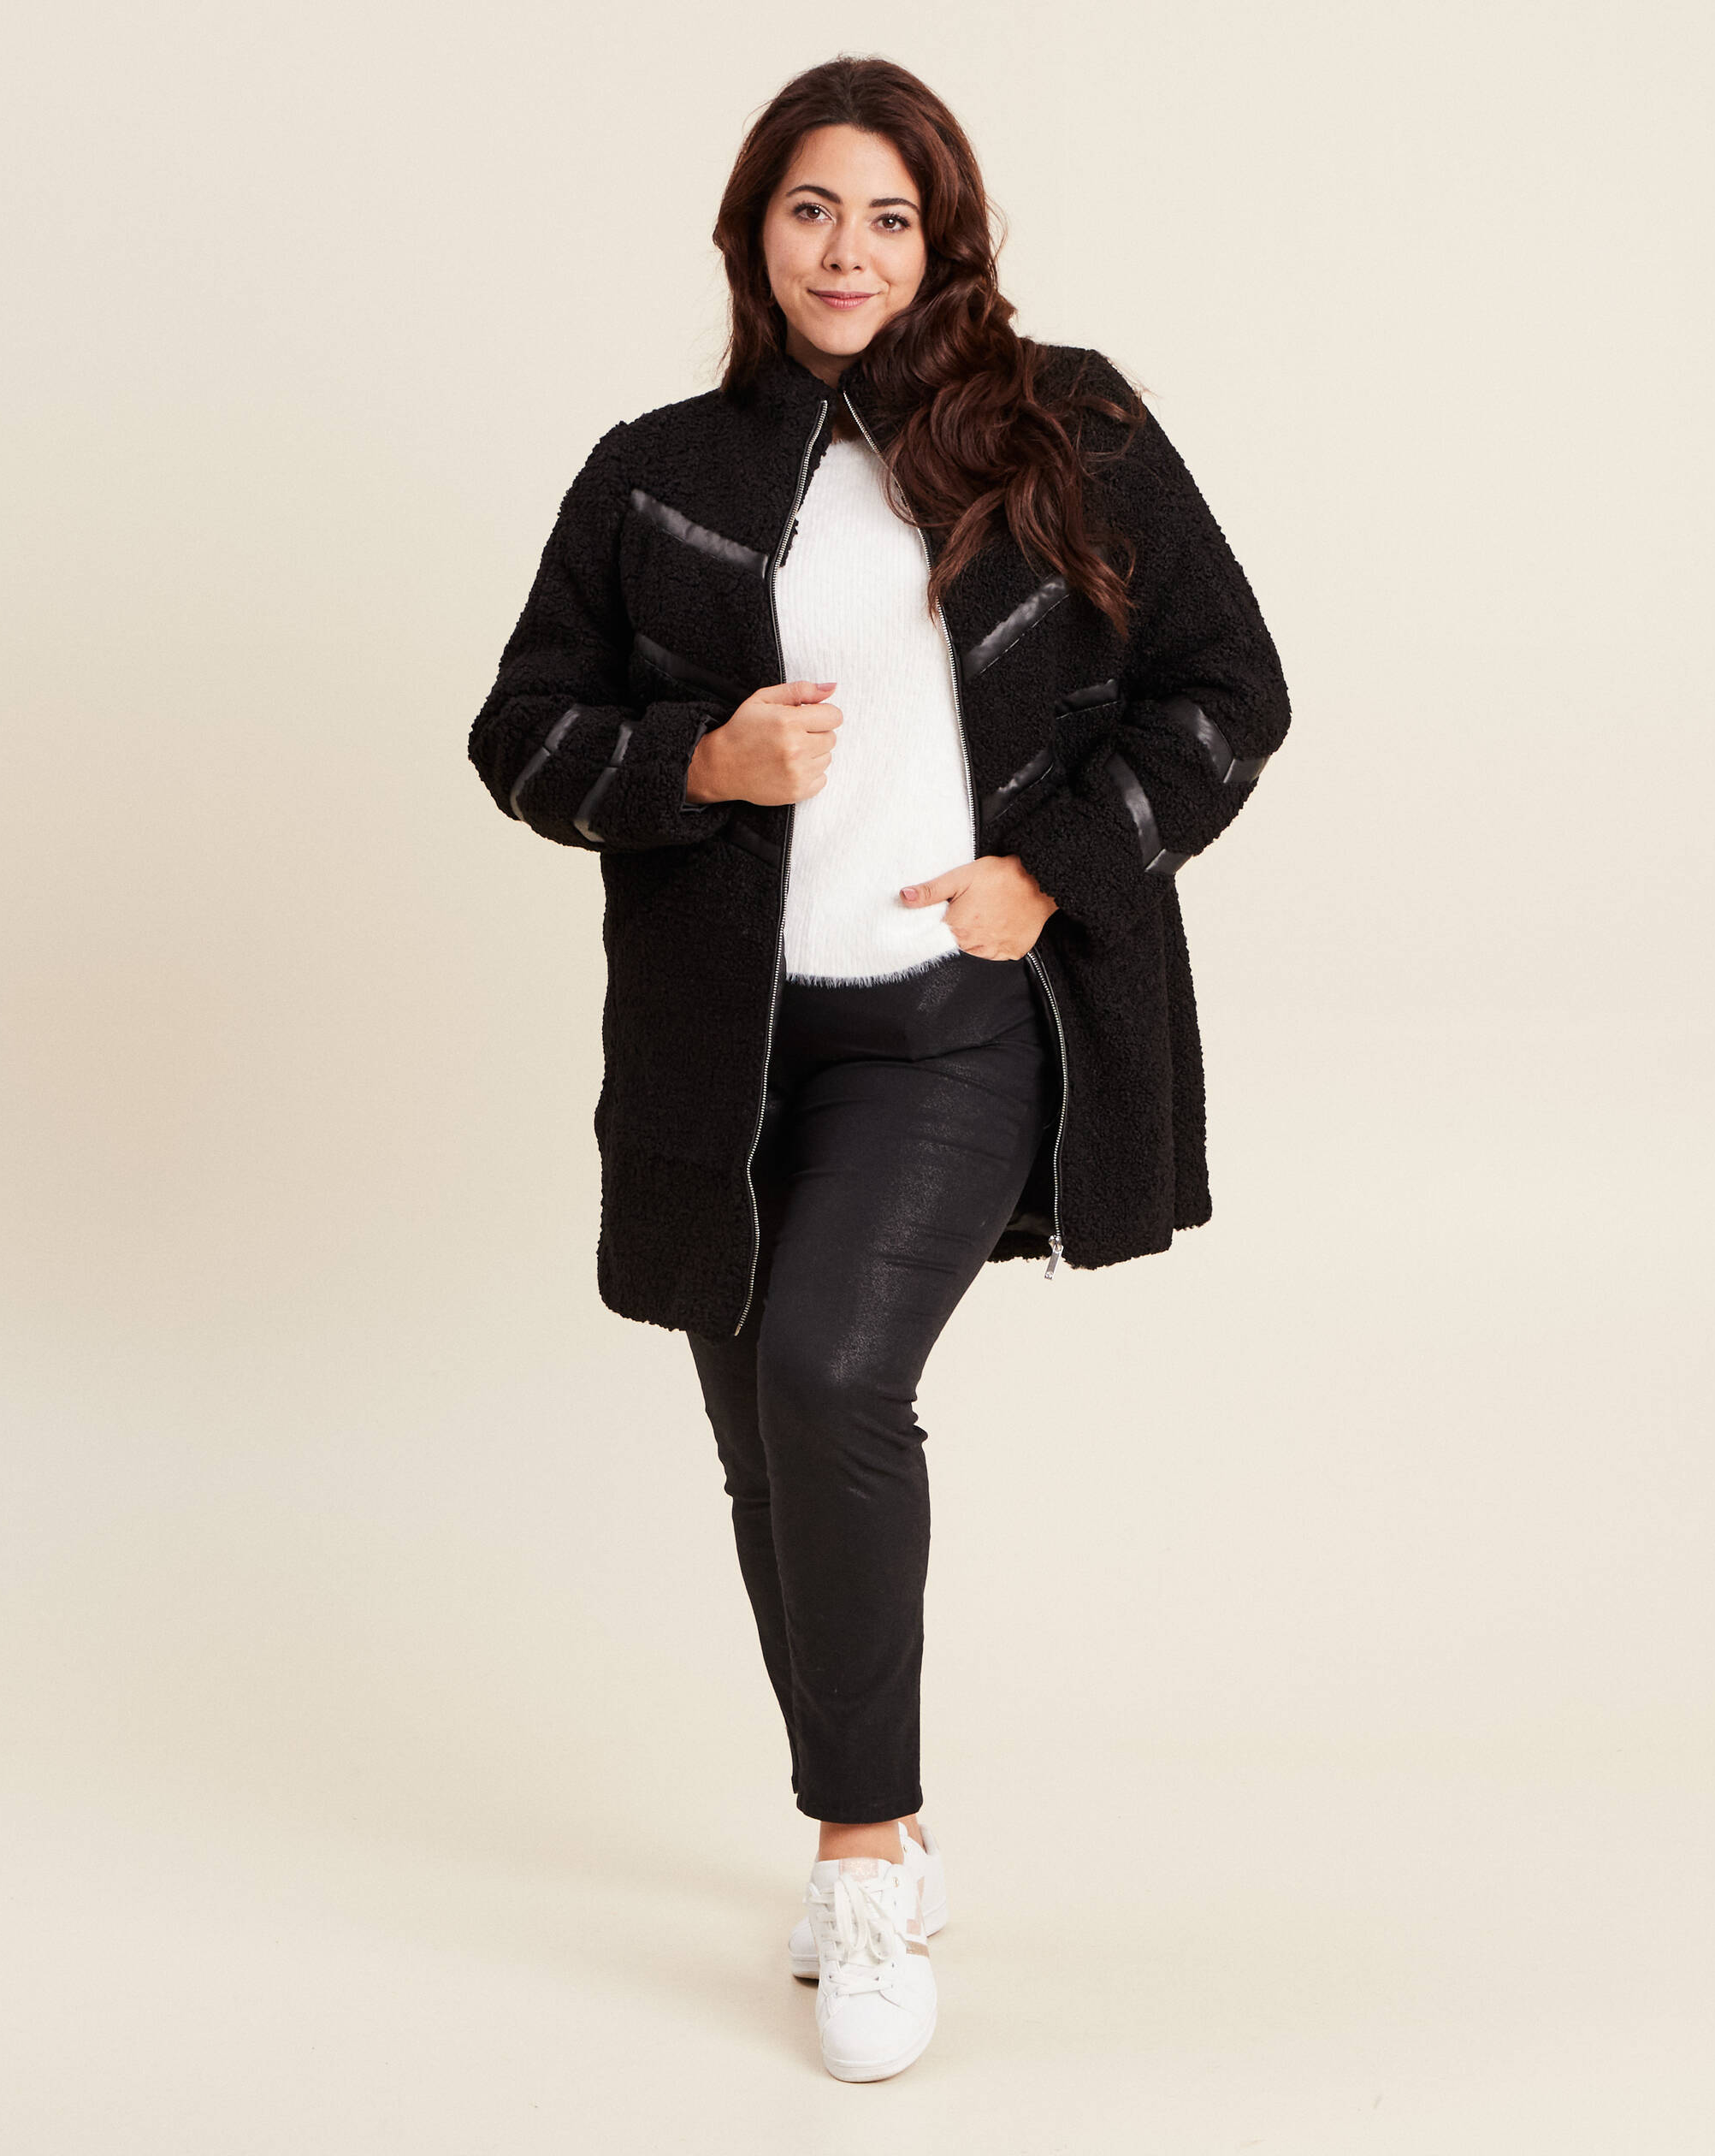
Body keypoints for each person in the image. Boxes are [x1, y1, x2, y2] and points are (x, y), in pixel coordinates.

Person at [467, 54, 1292, 2083]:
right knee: (768, 1449)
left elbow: (1230, 688)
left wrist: (1052, 869)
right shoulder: (658, 472)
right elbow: (519, 733)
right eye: (813, 210)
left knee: (834, 1381)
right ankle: (879, 1832)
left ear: (947, 239)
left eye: (891, 217)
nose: (849, 251)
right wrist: (700, 760)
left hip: (948, 1031)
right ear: (756, 232)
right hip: (725, 1054)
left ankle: (858, 1859)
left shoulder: (1066, 429)